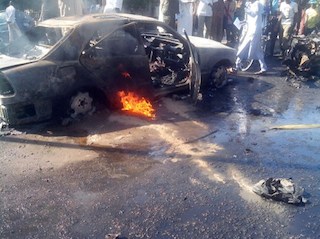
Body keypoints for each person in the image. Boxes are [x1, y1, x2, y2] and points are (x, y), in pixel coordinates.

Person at [235, 0, 267, 74]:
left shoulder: (257, 4)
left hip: (255, 30)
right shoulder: (250, 4)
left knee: (245, 46)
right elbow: (249, 18)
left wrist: (245, 8)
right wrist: (242, 22)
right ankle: (264, 67)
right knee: (258, 50)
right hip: (250, 29)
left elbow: (254, 14)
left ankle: (237, 64)